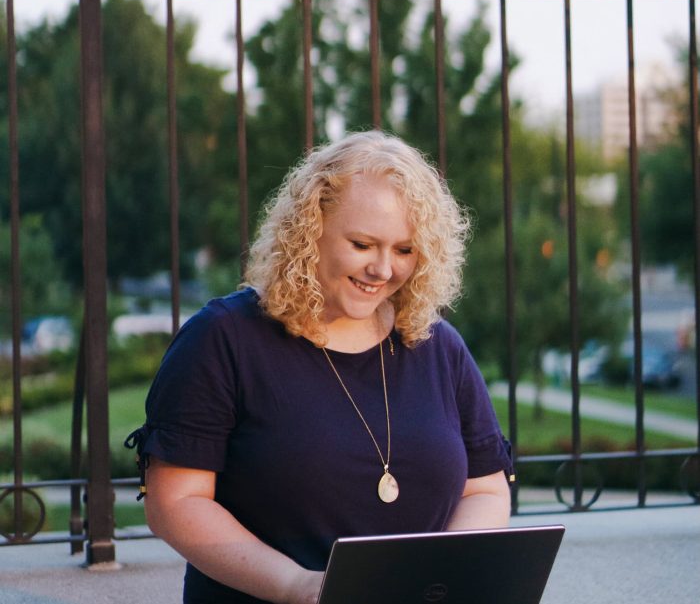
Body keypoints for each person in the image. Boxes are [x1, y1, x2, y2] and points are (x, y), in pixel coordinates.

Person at [125, 130, 513, 604]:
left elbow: (486, 490)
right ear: (311, 228)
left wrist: (441, 574)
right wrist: (298, 587)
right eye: (363, 244)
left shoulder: (438, 346)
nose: (384, 269)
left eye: (405, 250)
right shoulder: (223, 339)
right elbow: (176, 503)